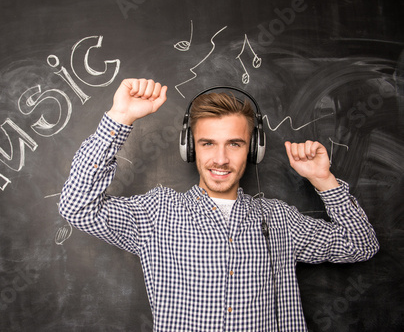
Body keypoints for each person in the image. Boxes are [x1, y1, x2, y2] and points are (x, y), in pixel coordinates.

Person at [59, 78, 379, 331]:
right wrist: (120, 118)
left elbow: (361, 246)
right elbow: (77, 207)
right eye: (208, 143)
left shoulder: (280, 219)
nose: (221, 159)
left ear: (254, 151)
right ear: (190, 148)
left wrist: (324, 180)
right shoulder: (155, 213)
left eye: (235, 144)